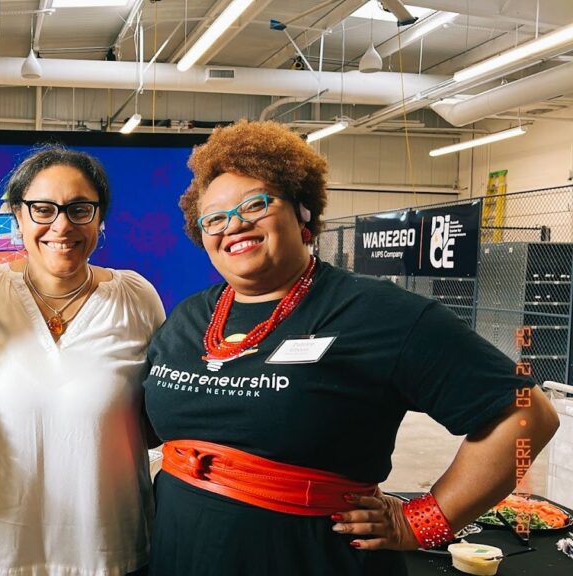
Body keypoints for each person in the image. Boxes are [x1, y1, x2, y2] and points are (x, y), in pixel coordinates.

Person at [143, 121, 560, 575]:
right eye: (215, 218)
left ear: (302, 211)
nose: (235, 224)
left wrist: (429, 521)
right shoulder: (187, 318)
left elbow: (530, 415)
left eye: (255, 204)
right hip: (179, 553)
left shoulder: (378, 312)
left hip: (313, 560)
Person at [0, 146, 164, 576]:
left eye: (79, 209)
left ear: (99, 218)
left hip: (109, 550)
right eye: (43, 209)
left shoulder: (135, 298)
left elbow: (169, 411)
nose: (62, 225)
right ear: (18, 216)